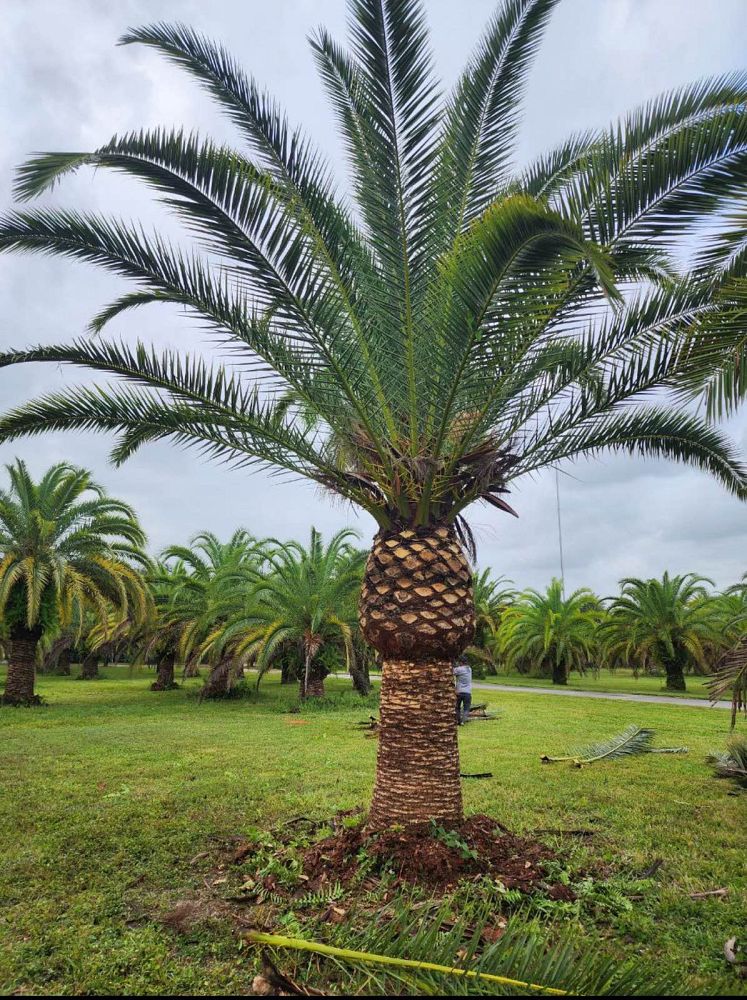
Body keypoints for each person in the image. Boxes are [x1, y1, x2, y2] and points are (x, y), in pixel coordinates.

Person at [453, 656, 472, 725]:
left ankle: (459, 721)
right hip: (468, 692)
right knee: (466, 708)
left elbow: (451, 671)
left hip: (459, 692)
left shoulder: (459, 669)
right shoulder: (469, 669)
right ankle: (463, 721)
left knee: (457, 707)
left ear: (460, 662)